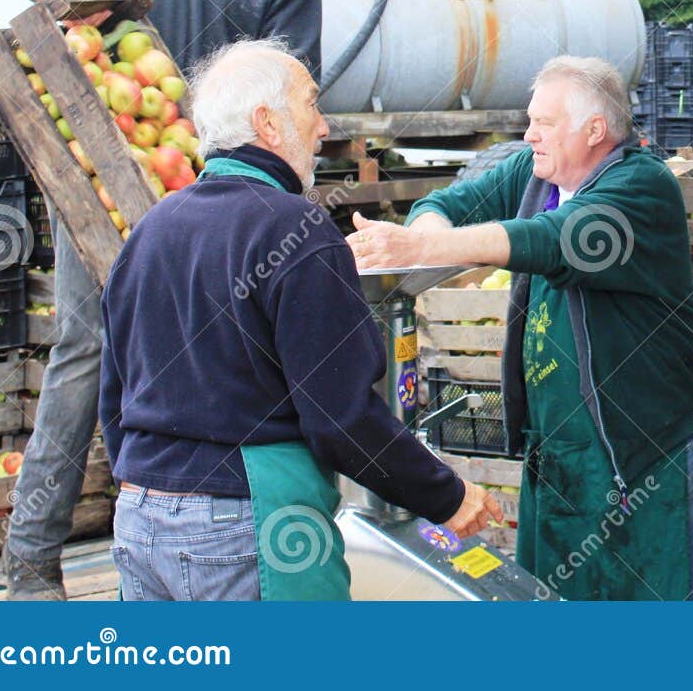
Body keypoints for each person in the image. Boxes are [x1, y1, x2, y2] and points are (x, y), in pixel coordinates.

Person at [3, 0, 324, 599]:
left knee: (214, 356)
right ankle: (31, 558)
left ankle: (169, 543)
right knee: (88, 345)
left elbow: (290, 84)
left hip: (215, 190)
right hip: (104, 168)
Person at [98, 40, 500, 601]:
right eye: (311, 105)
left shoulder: (150, 230)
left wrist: (154, 488)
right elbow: (341, 417)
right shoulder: (295, 229)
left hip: (139, 518)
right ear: (267, 123)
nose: (323, 126)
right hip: (245, 526)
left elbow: (114, 391)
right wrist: (447, 497)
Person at [346, 56, 693, 601]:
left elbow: (551, 240)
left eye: (543, 123)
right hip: (561, 455)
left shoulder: (642, 189)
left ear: (595, 130)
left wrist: (422, 247)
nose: (529, 135)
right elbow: (443, 202)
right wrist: (423, 235)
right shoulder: (534, 172)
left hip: (645, 452)